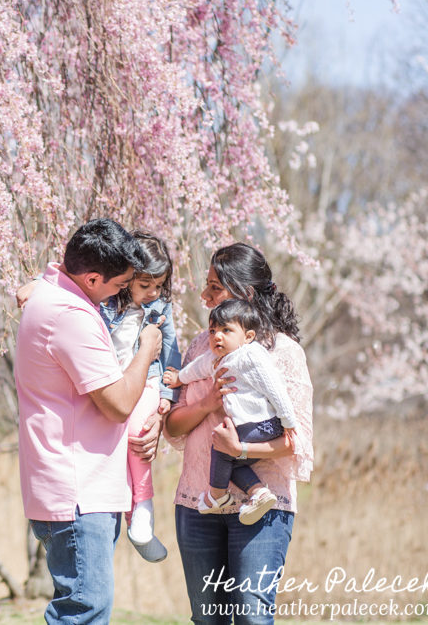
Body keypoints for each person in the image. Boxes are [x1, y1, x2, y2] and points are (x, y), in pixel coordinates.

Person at [15, 218, 166, 624]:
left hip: (73, 487)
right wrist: (147, 349)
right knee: (85, 611)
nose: (120, 294)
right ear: (93, 277)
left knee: (82, 607)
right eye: (118, 286)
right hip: (79, 492)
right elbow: (117, 403)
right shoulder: (72, 316)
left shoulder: (50, 292)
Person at [163, 243, 314, 625]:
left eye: (214, 287)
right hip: (199, 504)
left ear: (244, 293)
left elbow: (296, 442)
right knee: (207, 619)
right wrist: (207, 404)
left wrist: (240, 448)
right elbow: (174, 428)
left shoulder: (283, 353)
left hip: (262, 508)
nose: (204, 295)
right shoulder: (202, 345)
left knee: (251, 617)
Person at [163, 298, 297, 525]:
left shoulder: (250, 356)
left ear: (248, 337)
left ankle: (217, 495)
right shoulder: (216, 359)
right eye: (213, 330)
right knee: (230, 460)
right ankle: (258, 493)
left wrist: (289, 423)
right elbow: (196, 369)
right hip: (247, 426)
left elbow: (276, 391)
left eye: (226, 330)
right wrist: (178, 378)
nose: (217, 336)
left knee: (222, 448)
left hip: (264, 424)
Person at [98, 231, 181, 560]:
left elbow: (172, 350)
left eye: (158, 286)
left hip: (147, 379)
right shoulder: (105, 303)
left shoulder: (161, 309)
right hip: (112, 381)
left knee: (139, 434)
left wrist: (167, 394)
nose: (152, 293)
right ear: (128, 276)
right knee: (116, 446)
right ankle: (132, 517)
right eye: (145, 285)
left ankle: (144, 508)